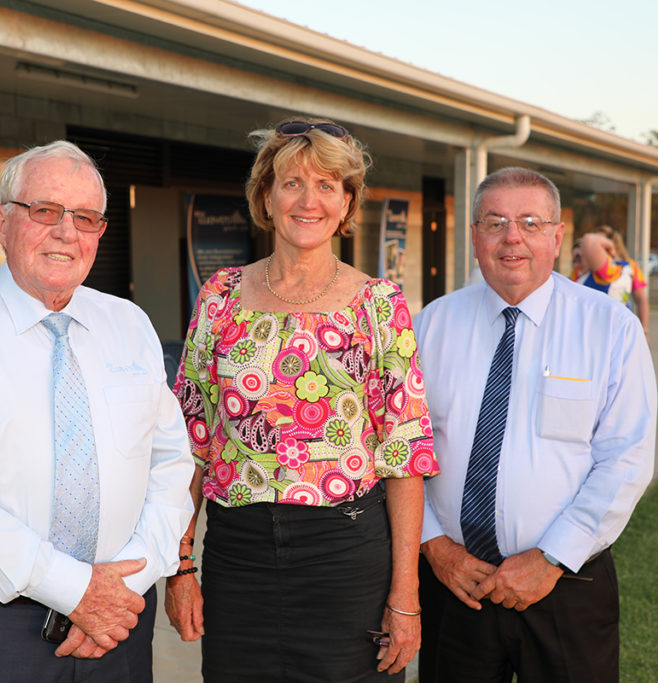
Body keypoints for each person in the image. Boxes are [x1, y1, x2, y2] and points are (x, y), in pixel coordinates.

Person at [0, 140, 195, 681]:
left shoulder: (129, 325)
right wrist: (76, 589)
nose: (66, 232)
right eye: (44, 211)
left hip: (120, 625)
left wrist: (126, 583)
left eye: (85, 217)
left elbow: (170, 464)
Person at [166, 118, 438, 681]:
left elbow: (404, 456)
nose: (308, 200)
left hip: (345, 556)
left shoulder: (379, 305)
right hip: (237, 557)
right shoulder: (219, 298)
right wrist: (180, 564)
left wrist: (405, 595)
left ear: (346, 202)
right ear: (266, 196)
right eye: (292, 183)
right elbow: (188, 440)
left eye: (327, 185)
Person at [413, 167, 656, 682]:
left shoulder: (610, 328)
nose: (512, 237)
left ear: (557, 235)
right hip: (455, 585)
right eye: (495, 221)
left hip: (566, 584)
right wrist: (434, 546)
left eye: (529, 221)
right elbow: (404, 448)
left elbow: (626, 459)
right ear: (475, 235)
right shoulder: (431, 324)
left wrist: (549, 560)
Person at [578, 230, 651, 337]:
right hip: (592, 328)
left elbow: (641, 299)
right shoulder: (582, 270)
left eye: (601, 242)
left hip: (611, 329)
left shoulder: (619, 268)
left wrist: (644, 330)